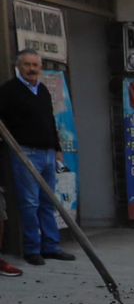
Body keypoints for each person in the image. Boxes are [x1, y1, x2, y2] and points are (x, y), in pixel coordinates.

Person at [0, 49, 74, 266]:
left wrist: (57, 148)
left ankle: (51, 247)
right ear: (18, 67)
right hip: (25, 153)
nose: (32, 69)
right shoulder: (9, 90)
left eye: (35, 65)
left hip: (48, 153)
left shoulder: (42, 90)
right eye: (27, 65)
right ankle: (32, 249)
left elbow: (50, 120)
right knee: (30, 203)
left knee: (48, 201)